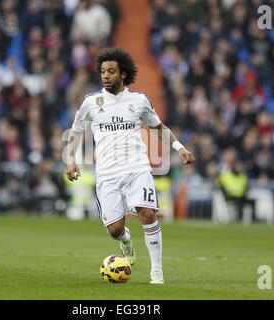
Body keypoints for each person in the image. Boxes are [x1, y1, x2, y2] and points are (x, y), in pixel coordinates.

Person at [65, 47, 195, 284]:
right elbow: (76, 131)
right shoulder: (91, 102)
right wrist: (71, 159)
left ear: (123, 74)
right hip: (106, 173)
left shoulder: (139, 100)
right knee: (114, 229)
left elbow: (158, 128)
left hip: (137, 168)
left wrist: (180, 148)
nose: (105, 76)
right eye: (103, 71)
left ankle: (157, 271)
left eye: (111, 71)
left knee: (147, 213)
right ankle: (125, 240)